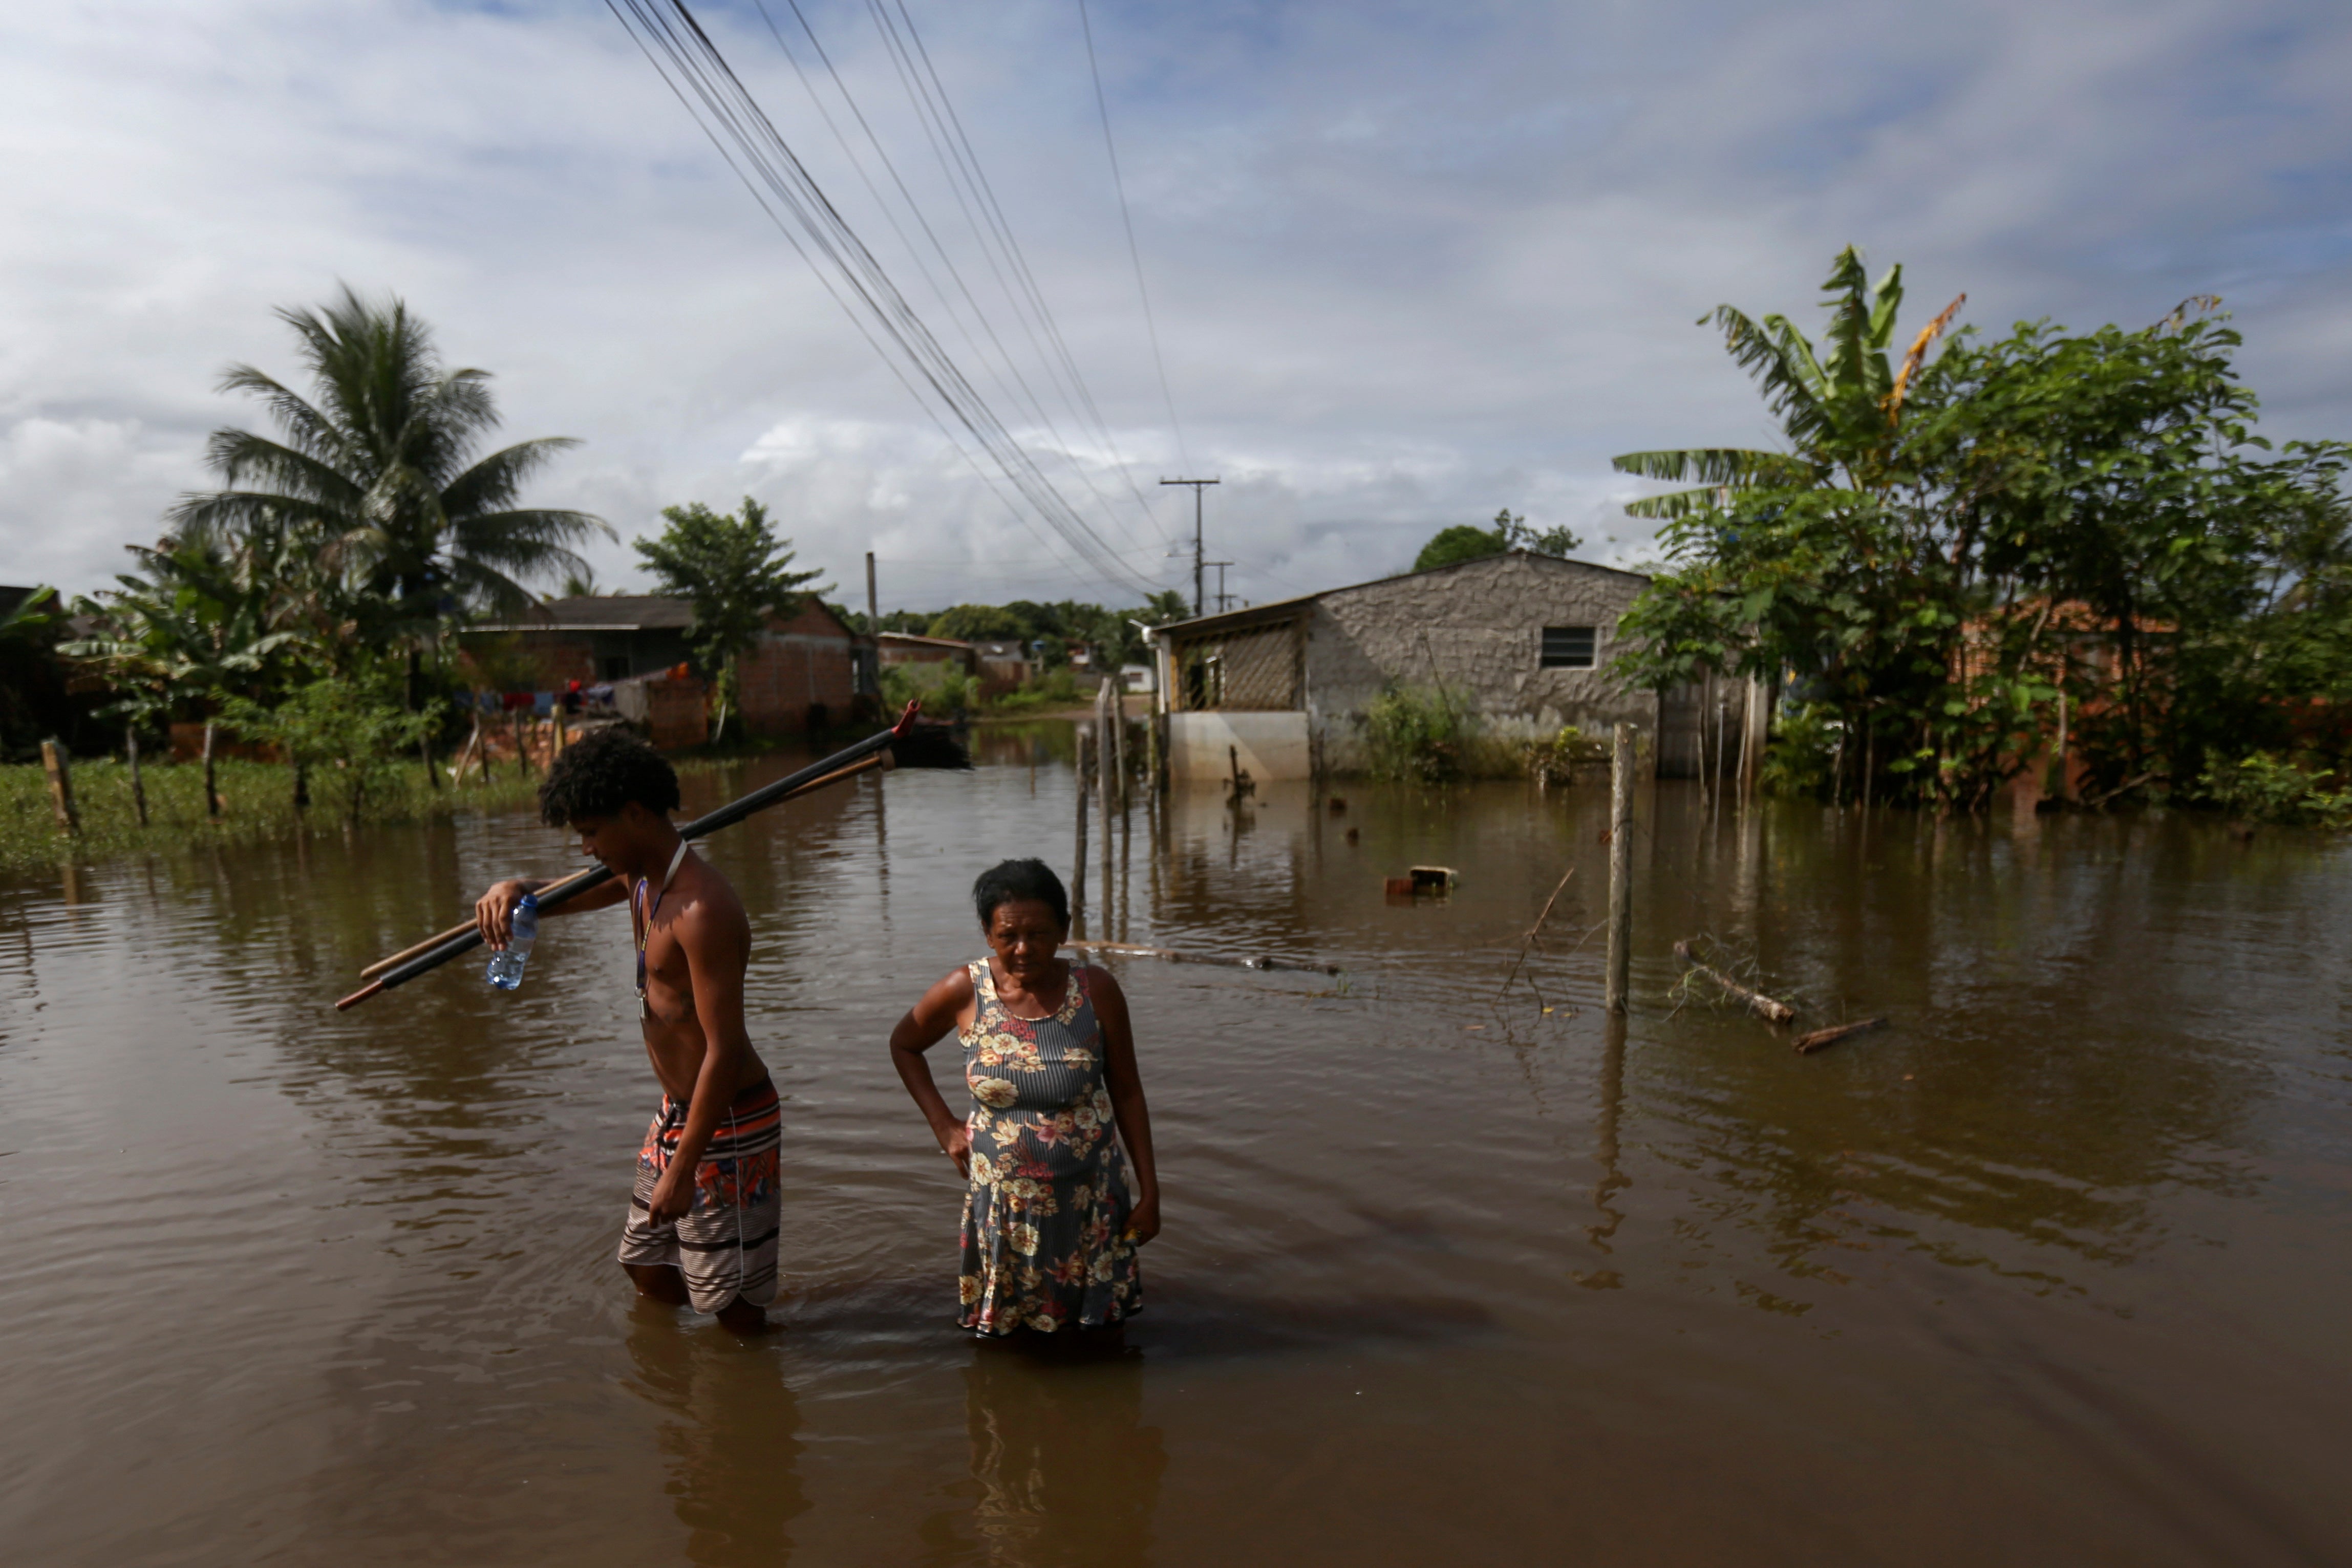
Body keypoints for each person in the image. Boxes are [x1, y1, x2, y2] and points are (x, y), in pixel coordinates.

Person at [474, 727, 779, 1334]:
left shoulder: (702, 909)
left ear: (635, 815)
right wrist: (515, 890)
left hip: (726, 1120)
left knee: (734, 1309)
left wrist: (685, 1165)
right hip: (677, 1110)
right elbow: (558, 897)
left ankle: (745, 1406)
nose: (586, 848)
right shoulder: (639, 879)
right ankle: (676, 1392)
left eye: (591, 832)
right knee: (646, 1267)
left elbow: (723, 1048)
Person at [888, 859, 1160, 1335]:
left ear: (1063, 931)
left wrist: (1151, 1191)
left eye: (1038, 934)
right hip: (1004, 1204)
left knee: (1096, 1336)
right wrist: (945, 1127)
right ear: (988, 934)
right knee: (1010, 1334)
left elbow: (1129, 1092)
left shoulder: (1096, 990)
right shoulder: (965, 990)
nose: (1023, 948)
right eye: (1009, 934)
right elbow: (904, 1045)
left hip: (1089, 1197)